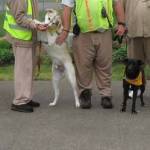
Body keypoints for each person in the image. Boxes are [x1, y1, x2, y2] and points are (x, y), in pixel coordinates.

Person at [56, 0, 126, 109]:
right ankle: (85, 94)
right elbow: (66, 8)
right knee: (83, 66)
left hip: (105, 32)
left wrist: (121, 23)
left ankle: (106, 95)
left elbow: (118, 3)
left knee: (105, 65)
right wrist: (65, 30)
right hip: (83, 33)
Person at [3, 0, 48, 112]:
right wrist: (36, 25)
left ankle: (26, 98)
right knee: (22, 71)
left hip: (28, 37)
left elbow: (30, 15)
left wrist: (37, 24)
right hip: (21, 38)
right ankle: (19, 101)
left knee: (28, 70)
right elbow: (19, 18)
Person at [122, 0, 150, 97]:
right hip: (133, 29)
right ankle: (136, 87)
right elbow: (120, 4)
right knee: (135, 62)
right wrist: (121, 23)